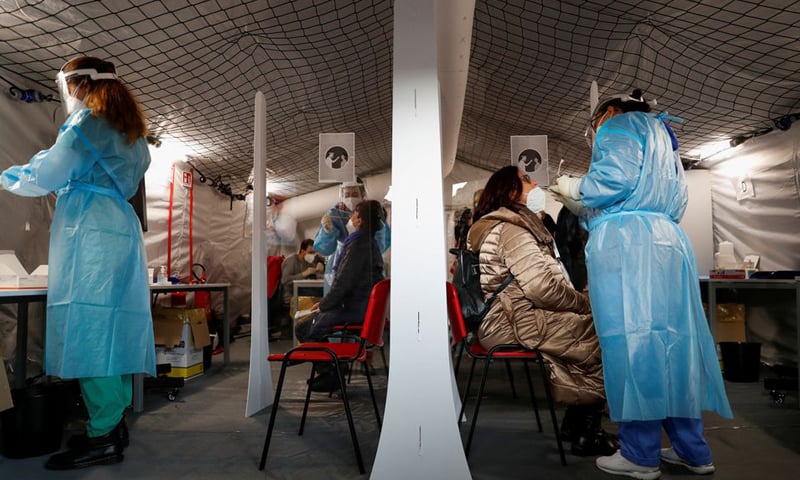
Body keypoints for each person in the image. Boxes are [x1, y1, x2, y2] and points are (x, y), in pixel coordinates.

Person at [551, 87, 732, 479]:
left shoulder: (618, 125)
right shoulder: (664, 138)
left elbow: (612, 180)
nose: (598, 131)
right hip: (668, 241)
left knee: (633, 343)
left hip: (627, 246)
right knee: (675, 347)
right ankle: (693, 451)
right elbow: (670, 196)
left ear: (610, 110)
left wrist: (575, 189)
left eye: (596, 122)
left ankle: (640, 452)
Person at [1, 56, 155, 470]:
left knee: (91, 332)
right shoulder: (132, 133)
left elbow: (49, 171)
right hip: (120, 228)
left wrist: (4, 176)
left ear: (79, 85)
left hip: (89, 232)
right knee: (114, 330)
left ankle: (102, 435)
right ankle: (113, 423)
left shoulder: (88, 123)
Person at [468, 165, 616, 456]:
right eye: (526, 180)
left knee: (587, 331)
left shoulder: (512, 224)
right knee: (604, 336)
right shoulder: (512, 229)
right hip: (513, 321)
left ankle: (575, 425)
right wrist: (585, 303)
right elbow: (541, 288)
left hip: (513, 317)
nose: (535, 183)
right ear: (511, 191)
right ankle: (588, 432)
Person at [296, 200, 385, 391]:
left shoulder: (357, 245)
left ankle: (331, 374)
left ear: (360, 220)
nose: (350, 218)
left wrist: (323, 305)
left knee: (304, 328)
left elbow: (343, 283)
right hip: (362, 307)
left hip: (354, 309)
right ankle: (332, 371)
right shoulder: (368, 243)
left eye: (353, 214)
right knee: (309, 325)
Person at [313, 179, 390, 294]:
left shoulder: (372, 212)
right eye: (347, 195)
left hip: (366, 264)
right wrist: (328, 232)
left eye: (355, 194)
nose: (350, 199)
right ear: (341, 195)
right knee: (338, 299)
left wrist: (361, 235)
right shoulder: (334, 214)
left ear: (362, 194)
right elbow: (324, 249)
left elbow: (382, 243)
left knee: (365, 300)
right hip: (340, 263)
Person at [280, 238, 323, 305]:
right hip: (291, 296)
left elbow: (318, 275)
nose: (313, 255)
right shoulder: (291, 260)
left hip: (303, 292)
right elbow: (284, 280)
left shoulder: (308, 262)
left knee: (322, 292)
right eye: (310, 253)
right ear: (302, 251)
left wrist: (320, 270)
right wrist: (304, 274)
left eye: (314, 253)